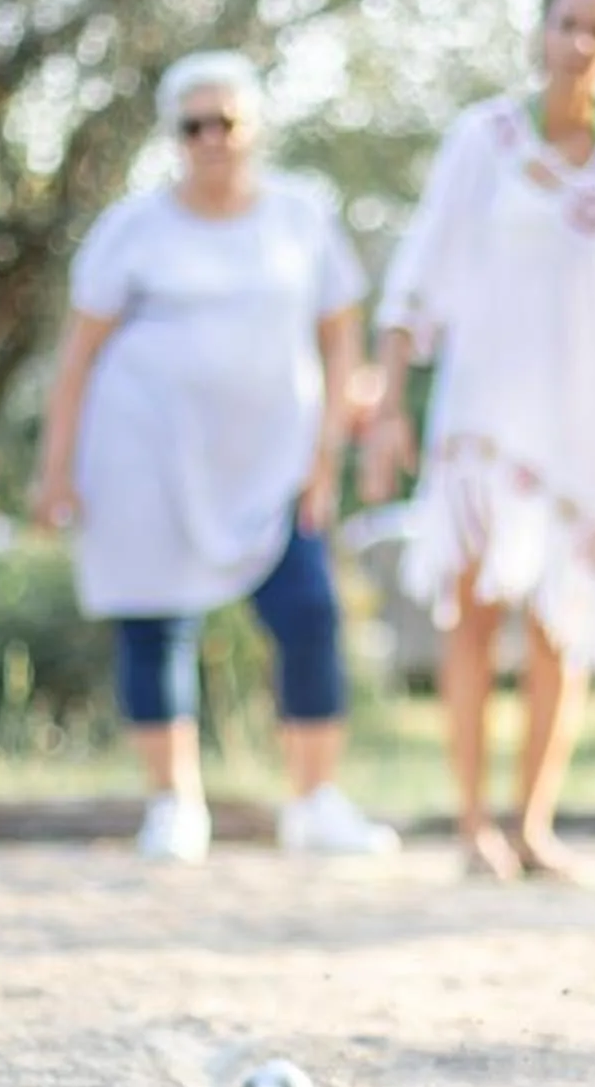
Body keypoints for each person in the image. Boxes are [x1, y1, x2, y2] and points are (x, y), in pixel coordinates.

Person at [29, 50, 398, 864]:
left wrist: (327, 452)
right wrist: (55, 469)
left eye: (223, 121)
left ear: (253, 127)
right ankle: (174, 806)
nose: (209, 139)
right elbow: (77, 356)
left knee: (309, 614)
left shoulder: (301, 217)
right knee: (155, 626)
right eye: (191, 126)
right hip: (145, 456)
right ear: (173, 137)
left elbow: (342, 340)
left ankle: (314, 802)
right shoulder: (132, 228)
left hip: (275, 461)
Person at [358, 0, 595, 880]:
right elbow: (419, 272)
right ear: (540, 34)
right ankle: (473, 827)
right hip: (489, 410)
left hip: (592, 418)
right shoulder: (485, 139)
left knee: (564, 623)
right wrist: (389, 403)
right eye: (566, 24)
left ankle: (534, 825)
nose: (579, 44)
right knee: (474, 611)